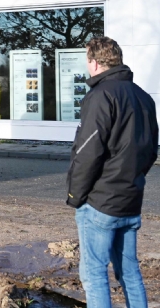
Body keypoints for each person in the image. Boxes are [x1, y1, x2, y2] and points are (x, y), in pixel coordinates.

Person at [67, 36, 158, 308]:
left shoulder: (100, 96)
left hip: (100, 203)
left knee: (94, 273)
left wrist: (75, 195)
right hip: (130, 199)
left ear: (94, 62)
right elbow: (151, 149)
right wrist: (133, 180)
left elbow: (87, 153)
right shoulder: (143, 97)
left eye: (87, 61)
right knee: (130, 272)